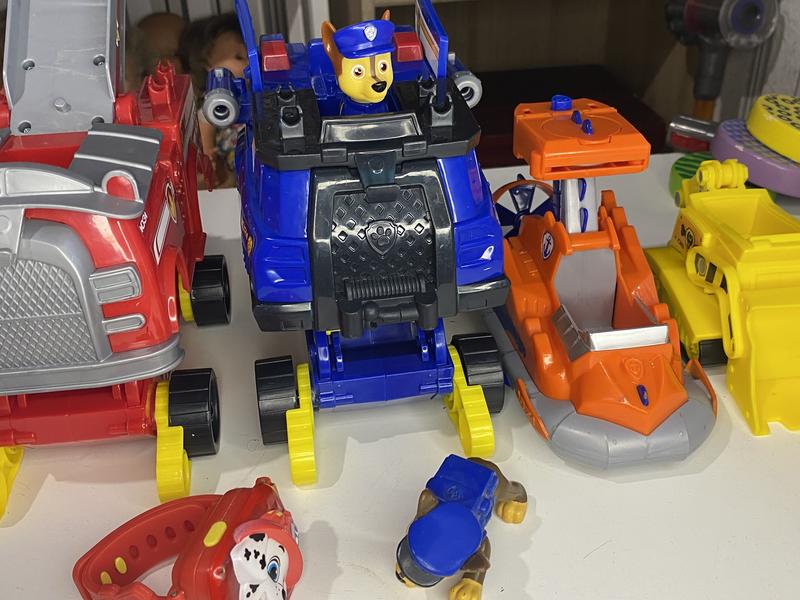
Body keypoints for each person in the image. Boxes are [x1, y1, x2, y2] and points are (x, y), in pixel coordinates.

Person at [178, 13, 248, 187]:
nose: (250, 62)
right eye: (239, 57)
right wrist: (210, 161)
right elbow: (206, 153)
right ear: (208, 67)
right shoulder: (212, 106)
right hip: (235, 179)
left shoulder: (254, 94)